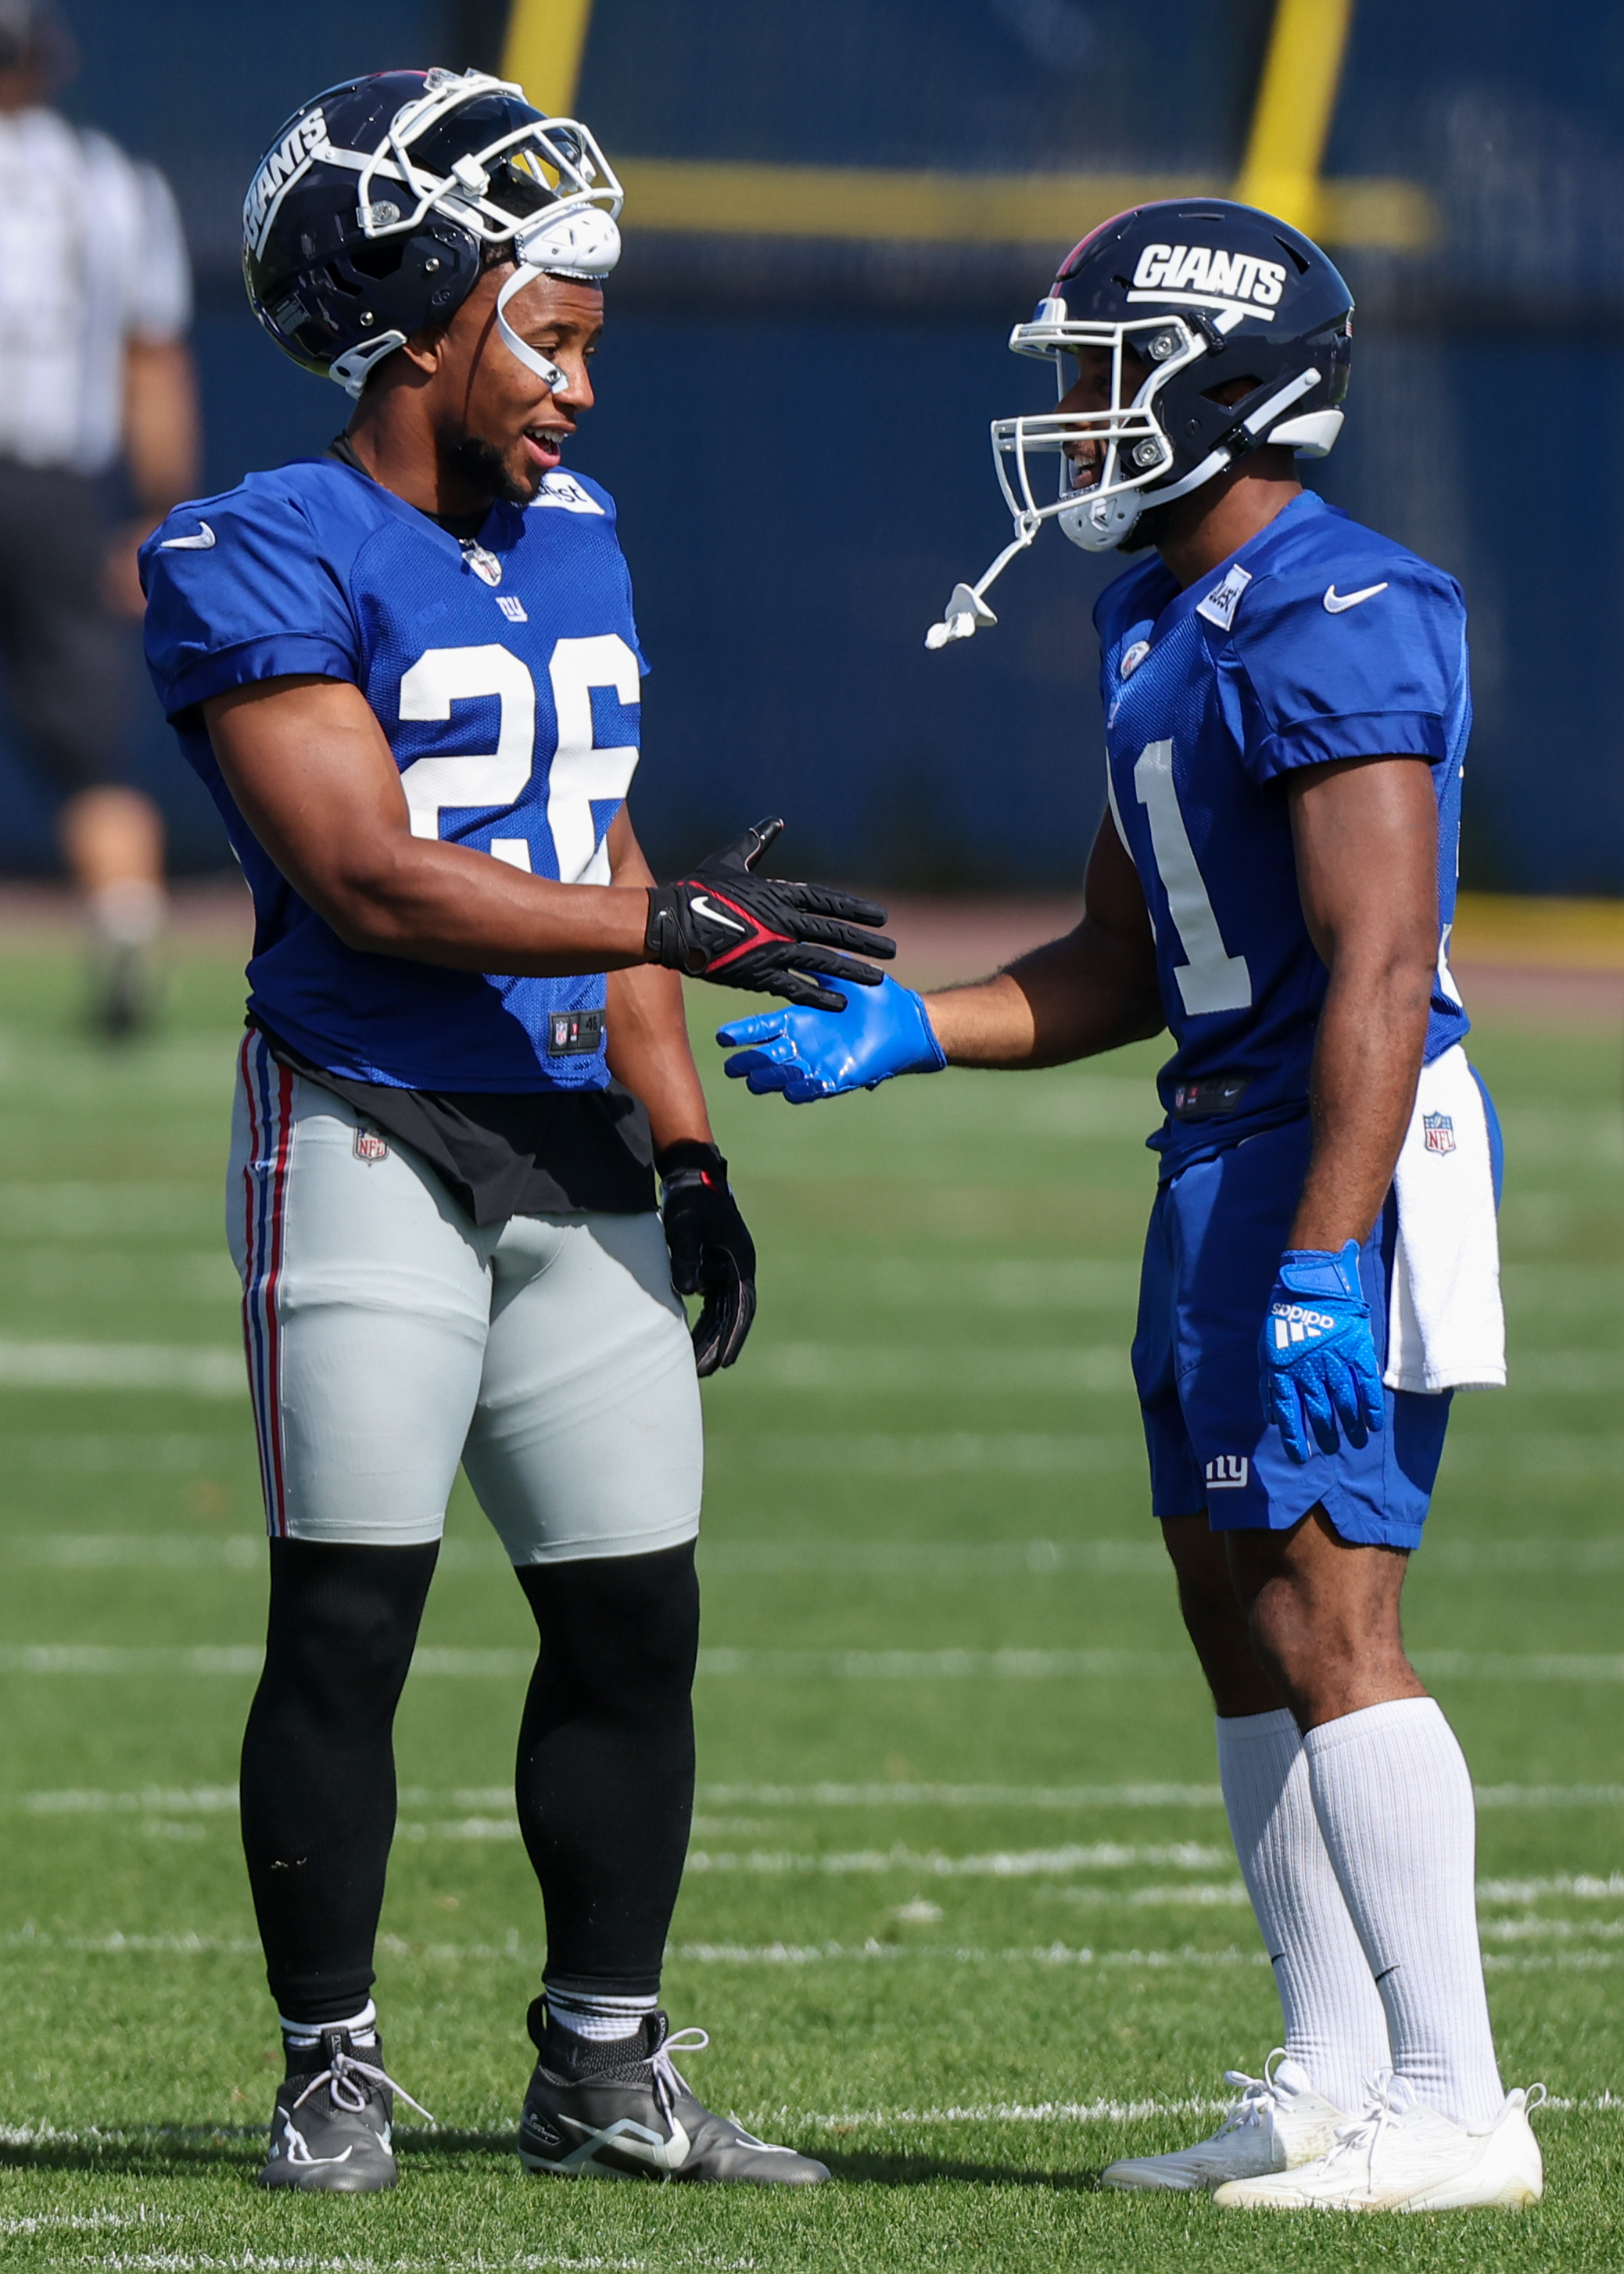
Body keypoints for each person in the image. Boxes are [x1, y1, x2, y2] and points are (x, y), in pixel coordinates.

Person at [715, 199, 1545, 2214]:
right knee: (1227, 1601)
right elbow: (1123, 951)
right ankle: (1336, 2070)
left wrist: (1331, 1247)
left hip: (1333, 1142)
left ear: (1218, 384)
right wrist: (909, 1030)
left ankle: (1461, 2100)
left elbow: (1370, 968)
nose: (1073, 420)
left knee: (1336, 1605)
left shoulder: (1344, 605)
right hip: (1217, 1138)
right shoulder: (1156, 614)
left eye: (1100, 375)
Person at [140, 67, 891, 2195]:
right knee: (350, 1616)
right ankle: (329, 2061)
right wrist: (665, 920)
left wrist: (689, 1149)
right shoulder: (253, 543)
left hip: (568, 1129)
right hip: (370, 1116)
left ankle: (599, 2060)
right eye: (543, 329)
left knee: (633, 1613)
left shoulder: (582, 538)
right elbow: (373, 876)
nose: (576, 381)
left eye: (585, 338)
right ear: (410, 312)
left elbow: (600, 840)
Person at [0, 0, 198, 1034]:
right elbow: (151, 359)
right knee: (85, 747)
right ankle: (123, 915)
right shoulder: (110, 187)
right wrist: (155, 510)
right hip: (54, 487)